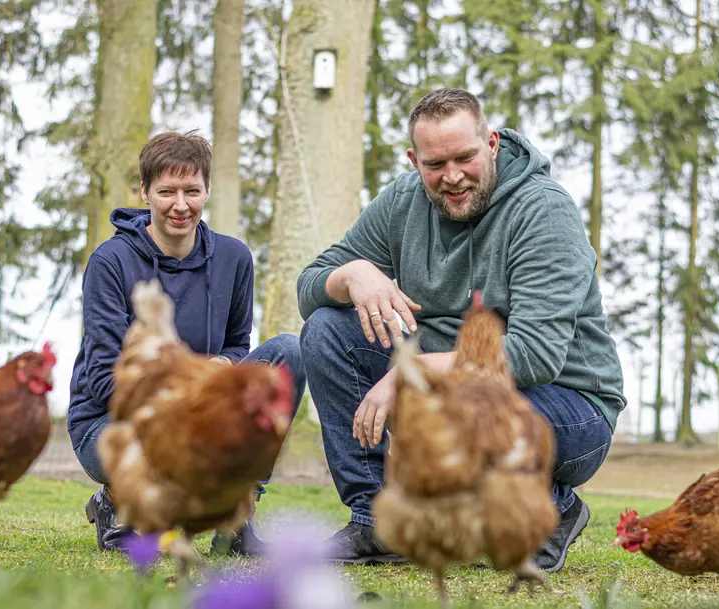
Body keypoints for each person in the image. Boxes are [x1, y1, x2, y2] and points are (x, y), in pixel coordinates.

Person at [297, 88, 626, 572]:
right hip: (456, 391)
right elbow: (309, 288)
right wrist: (353, 275)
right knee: (327, 329)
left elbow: (534, 354)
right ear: (414, 160)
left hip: (569, 408)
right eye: (435, 164)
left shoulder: (543, 212)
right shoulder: (402, 202)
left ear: (491, 142)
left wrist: (415, 371)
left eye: (465, 157)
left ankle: (553, 510)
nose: (452, 177)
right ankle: (376, 520)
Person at [67, 130, 306, 554]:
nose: (181, 205)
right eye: (167, 192)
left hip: (201, 417)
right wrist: (192, 390)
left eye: (192, 190)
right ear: (144, 192)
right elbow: (105, 381)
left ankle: (238, 517)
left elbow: (237, 344)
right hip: (113, 428)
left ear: (207, 190)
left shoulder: (234, 258)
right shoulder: (110, 262)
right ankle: (115, 501)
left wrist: (226, 369)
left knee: (288, 353)